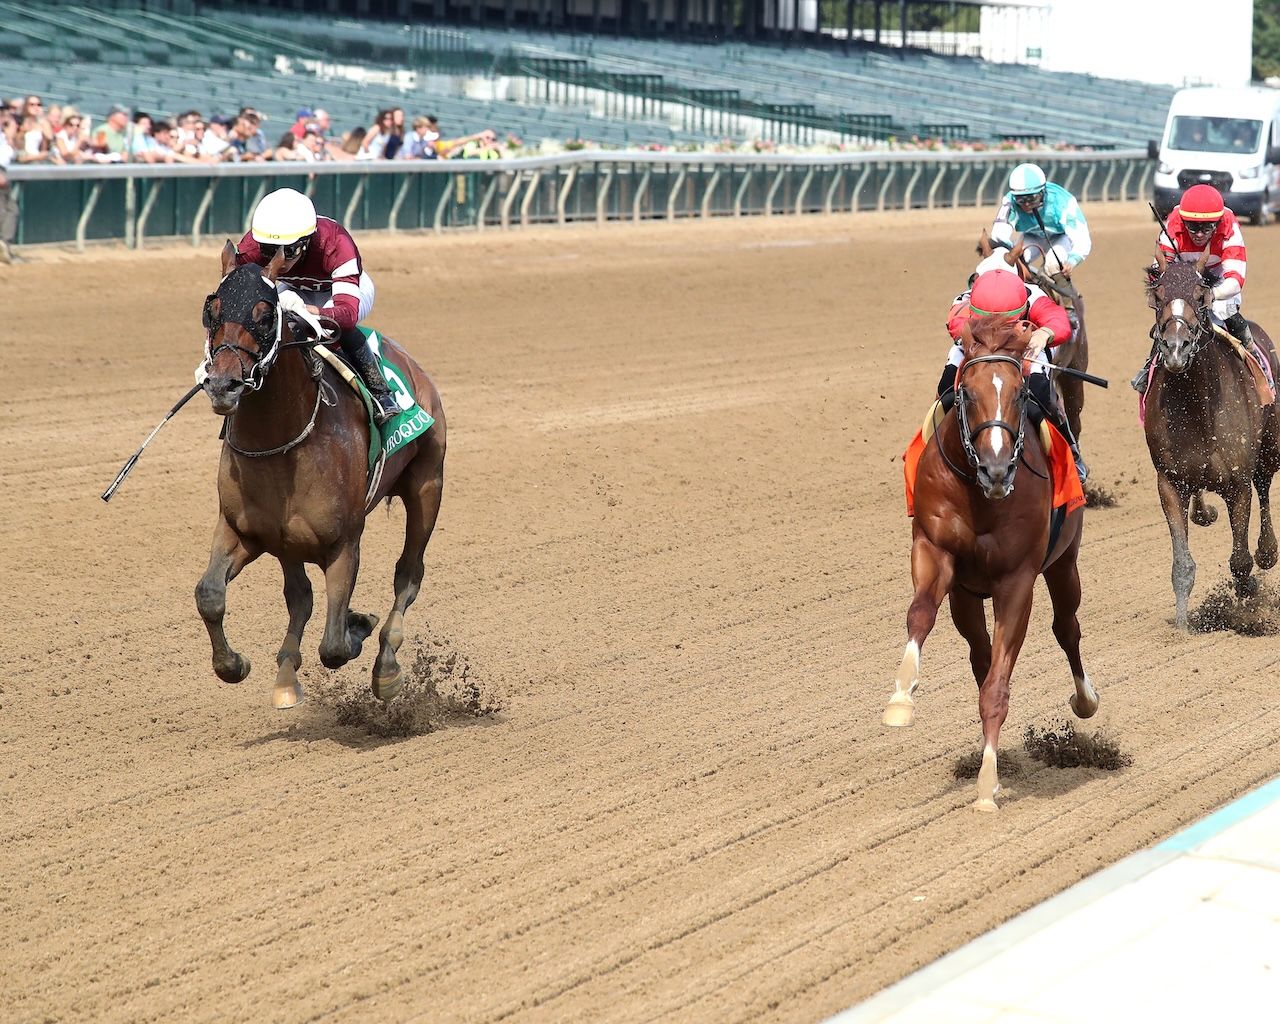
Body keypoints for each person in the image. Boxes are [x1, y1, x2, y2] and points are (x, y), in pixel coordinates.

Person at [235, 187, 400, 424]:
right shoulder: (251, 247)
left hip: (342, 291)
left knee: (332, 328)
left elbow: (346, 313)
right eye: (268, 251)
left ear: (306, 242)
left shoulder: (336, 242)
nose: (277, 260)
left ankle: (380, 393)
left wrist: (314, 313)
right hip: (295, 290)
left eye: (288, 251)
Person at [938, 266, 1087, 481]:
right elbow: (956, 323)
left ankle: (1071, 452)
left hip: (1025, 347)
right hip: (978, 348)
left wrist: (1045, 332)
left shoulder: (1034, 295)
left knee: (1042, 393)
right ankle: (930, 444)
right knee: (945, 387)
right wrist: (977, 343)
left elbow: (1059, 321)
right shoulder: (965, 300)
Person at [1131, 183, 1254, 393]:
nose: (1199, 234)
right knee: (1170, 322)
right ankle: (1149, 367)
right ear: (1183, 221)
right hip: (1182, 281)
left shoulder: (1230, 228)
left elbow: (1235, 280)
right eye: (1193, 227)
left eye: (1207, 228)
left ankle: (1256, 364)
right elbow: (1159, 269)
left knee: (1226, 314)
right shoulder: (1172, 225)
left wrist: (1208, 294)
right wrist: (1170, 287)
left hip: (1218, 280)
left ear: (1218, 222)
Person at [991, 163, 1091, 324]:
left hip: (1060, 237)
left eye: (1031, 199)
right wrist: (1010, 254)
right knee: (1010, 262)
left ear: (1043, 191)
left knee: (1052, 264)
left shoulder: (1063, 201)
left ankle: (1070, 307)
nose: (1026, 205)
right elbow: (998, 234)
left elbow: (1081, 237)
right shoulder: (1009, 201)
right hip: (1031, 235)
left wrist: (1072, 260)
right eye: (1021, 200)